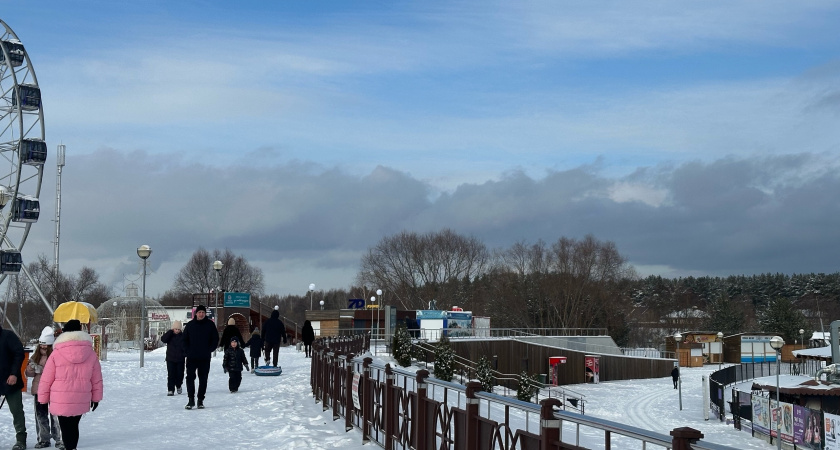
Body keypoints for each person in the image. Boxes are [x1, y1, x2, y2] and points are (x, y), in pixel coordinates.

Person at [38, 319, 103, 450]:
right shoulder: (90, 353)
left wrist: (42, 399)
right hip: (81, 397)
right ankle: (72, 448)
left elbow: (46, 378)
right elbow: (96, 378)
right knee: (74, 426)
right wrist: (96, 398)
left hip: (61, 398)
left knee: (65, 427)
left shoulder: (56, 352)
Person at [25, 326, 63, 449]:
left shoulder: (56, 356)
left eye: (46, 345)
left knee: (56, 416)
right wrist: (31, 368)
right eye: (41, 345)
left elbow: (57, 372)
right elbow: (29, 374)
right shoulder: (35, 356)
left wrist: (41, 369)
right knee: (40, 415)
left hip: (54, 390)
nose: (43, 348)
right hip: (39, 389)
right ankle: (43, 439)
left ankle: (59, 439)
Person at [182, 305, 219, 410]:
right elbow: (184, 340)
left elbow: (215, 339)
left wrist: (210, 349)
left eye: (203, 312)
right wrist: (187, 351)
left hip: (204, 357)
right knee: (190, 378)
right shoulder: (190, 325)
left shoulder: (210, 325)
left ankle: (200, 400)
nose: (201, 314)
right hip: (191, 357)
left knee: (203, 379)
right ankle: (190, 400)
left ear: (205, 313)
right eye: (199, 312)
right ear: (196, 313)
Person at [1, 322, 27, 450]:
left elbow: (19, 354)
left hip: (10, 380)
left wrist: (14, 373)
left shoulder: (7, 336)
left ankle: (21, 440)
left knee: (16, 411)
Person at [160, 320, 186, 396]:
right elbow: (163, 339)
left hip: (180, 359)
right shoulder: (170, 335)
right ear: (173, 329)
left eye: (178, 329)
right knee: (171, 374)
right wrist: (170, 332)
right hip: (170, 359)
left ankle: (178, 385)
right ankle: (170, 389)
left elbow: (186, 346)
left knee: (180, 374)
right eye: (175, 329)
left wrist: (185, 354)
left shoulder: (183, 336)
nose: (177, 331)